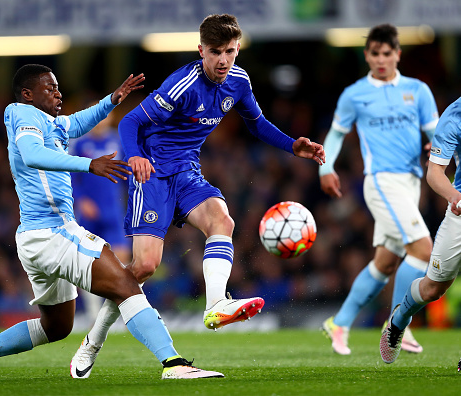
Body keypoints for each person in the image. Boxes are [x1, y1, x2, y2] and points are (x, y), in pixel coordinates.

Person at [70, 14, 326, 379]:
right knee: (143, 267)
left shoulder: (238, 81)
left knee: (223, 220)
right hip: (154, 174)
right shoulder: (182, 84)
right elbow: (130, 123)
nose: (224, 60)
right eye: (217, 52)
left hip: (188, 172)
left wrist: (291, 144)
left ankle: (216, 303)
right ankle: (93, 341)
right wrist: (136, 156)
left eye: (231, 52)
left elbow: (255, 122)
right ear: (201, 50)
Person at [0, 64, 224, 380]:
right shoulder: (22, 114)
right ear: (27, 94)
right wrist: (89, 165)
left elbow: (76, 123)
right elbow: (31, 154)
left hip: (35, 239)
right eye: (50, 88)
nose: (58, 92)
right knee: (126, 284)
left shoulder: (50, 123)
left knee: (56, 326)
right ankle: (174, 364)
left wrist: (111, 101)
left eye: (58, 87)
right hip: (54, 233)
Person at [319, 24, 439, 355]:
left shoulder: (418, 90)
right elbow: (336, 133)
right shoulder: (355, 94)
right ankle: (398, 324)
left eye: (388, 53)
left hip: (411, 182)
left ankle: (339, 323)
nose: (382, 59)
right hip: (382, 181)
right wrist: (325, 167)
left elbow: (436, 132)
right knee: (423, 251)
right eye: (375, 53)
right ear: (367, 56)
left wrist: (434, 148)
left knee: (385, 263)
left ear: (397, 54)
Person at [380, 97, 461, 364]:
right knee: (432, 290)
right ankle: (399, 319)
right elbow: (435, 173)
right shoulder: (454, 115)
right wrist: (454, 197)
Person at [71, 106, 132, 322]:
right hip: (89, 212)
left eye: (105, 116)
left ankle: (119, 313)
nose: (101, 121)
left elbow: (129, 173)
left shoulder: (119, 141)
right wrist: (81, 200)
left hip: (114, 211)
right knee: (88, 264)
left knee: (122, 262)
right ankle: (94, 315)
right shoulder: (80, 143)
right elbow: (70, 175)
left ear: (112, 118)